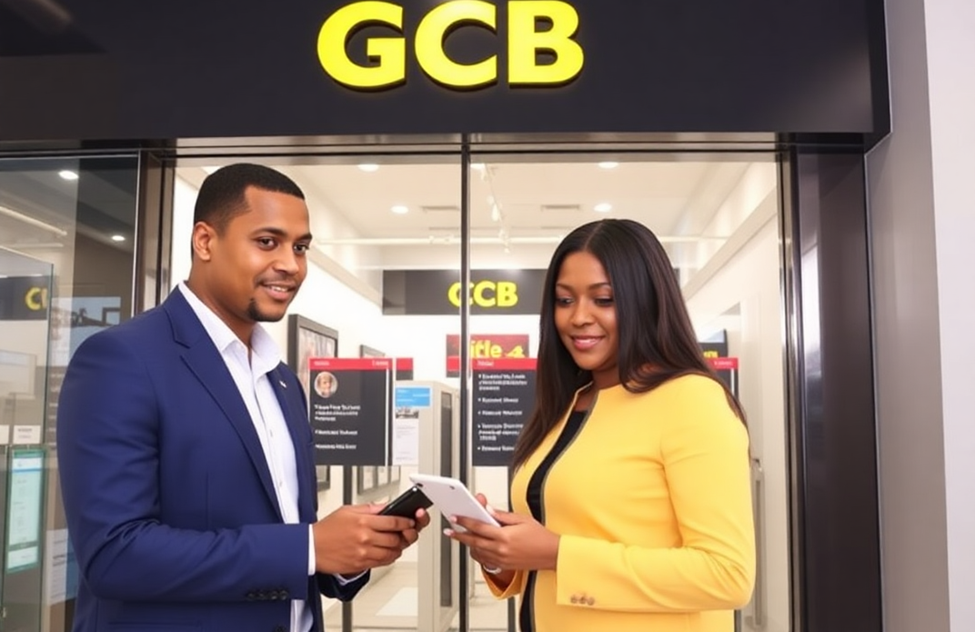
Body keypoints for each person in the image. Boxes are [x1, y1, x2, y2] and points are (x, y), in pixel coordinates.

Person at [57, 163, 429, 632]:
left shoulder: (283, 381)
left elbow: (294, 542)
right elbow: (114, 554)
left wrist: (352, 550)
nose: (291, 265)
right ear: (205, 241)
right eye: (267, 242)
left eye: (300, 247)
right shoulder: (121, 360)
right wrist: (310, 546)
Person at [447, 219, 755, 632]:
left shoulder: (691, 401)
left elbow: (728, 575)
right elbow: (553, 549)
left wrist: (559, 554)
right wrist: (500, 554)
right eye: (564, 300)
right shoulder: (571, 402)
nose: (578, 317)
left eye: (604, 299)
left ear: (647, 302)